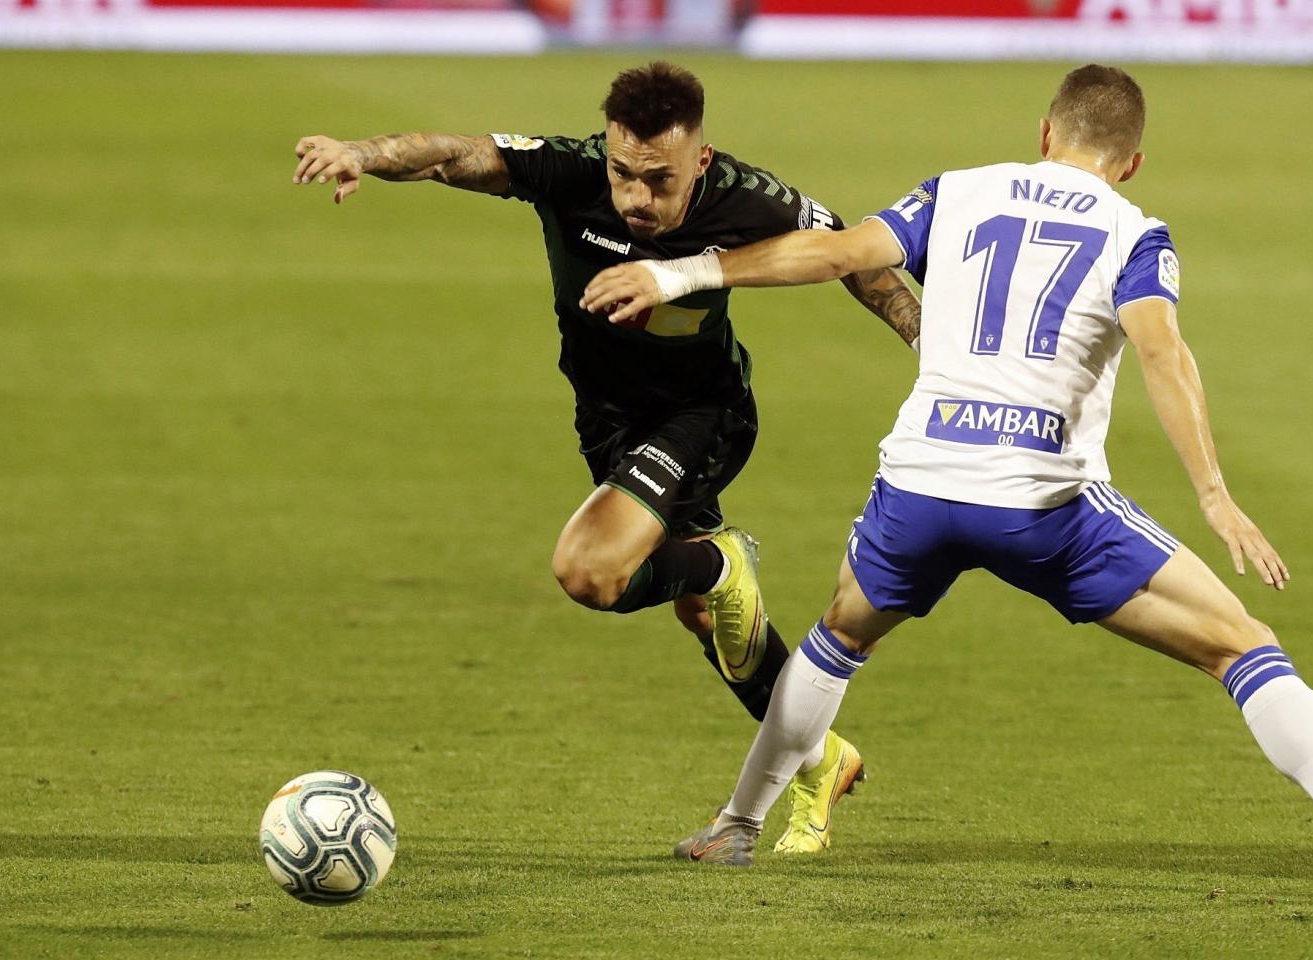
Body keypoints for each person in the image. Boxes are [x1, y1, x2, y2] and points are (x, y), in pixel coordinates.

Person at [580, 64, 1313, 902]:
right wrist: (1215, 495)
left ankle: (736, 826)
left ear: (1043, 133)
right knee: (1241, 645)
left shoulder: (960, 190)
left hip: (920, 489)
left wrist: (681, 274)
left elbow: (832, 252)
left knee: (837, 638)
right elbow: (1164, 353)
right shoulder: (1135, 231)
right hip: (1043, 507)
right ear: (1133, 162)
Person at [291, 62, 920, 852]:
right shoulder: (573, 171)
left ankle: (722, 564)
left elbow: (854, 256)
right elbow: (454, 154)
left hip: (703, 417)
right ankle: (819, 758)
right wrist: (362, 153)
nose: (636, 198)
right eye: (625, 173)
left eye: (659, 180)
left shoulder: (743, 197)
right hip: (610, 425)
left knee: (590, 571)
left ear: (700, 159)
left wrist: (924, 336)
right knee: (703, 615)